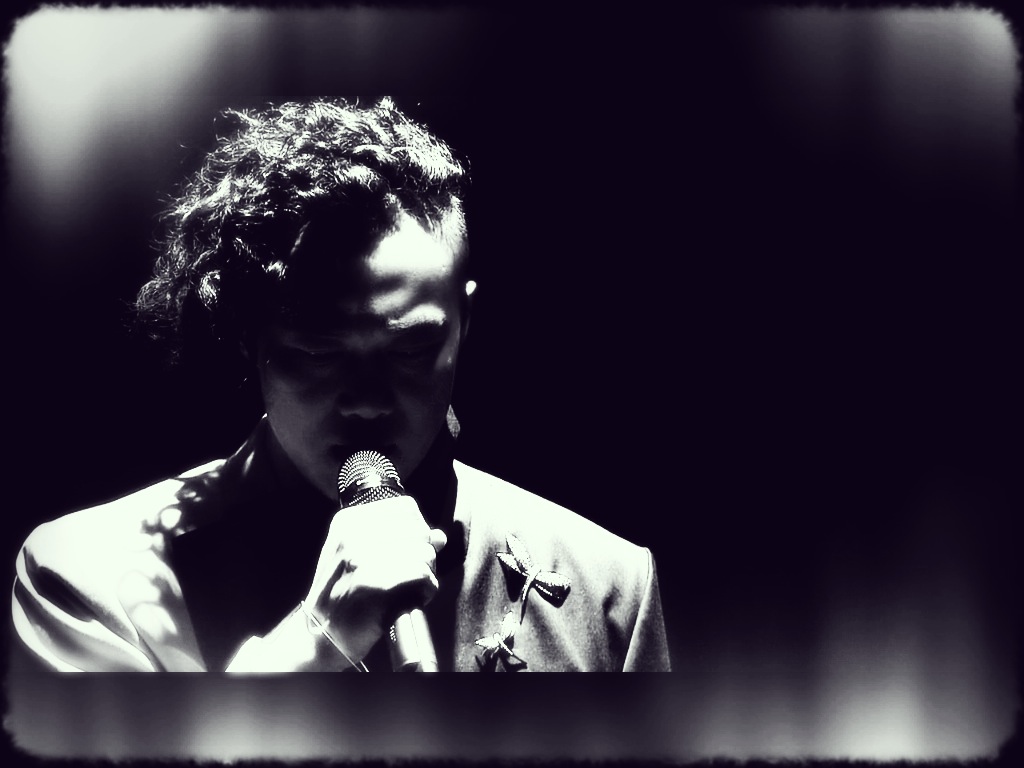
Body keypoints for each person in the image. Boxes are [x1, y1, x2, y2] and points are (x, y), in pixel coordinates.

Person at [11, 97, 670, 672]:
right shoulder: (86, 579)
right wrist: (315, 642)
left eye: (412, 349)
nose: (368, 401)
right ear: (248, 337)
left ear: (465, 323)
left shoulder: (608, 587)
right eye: (318, 353)